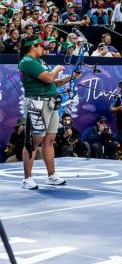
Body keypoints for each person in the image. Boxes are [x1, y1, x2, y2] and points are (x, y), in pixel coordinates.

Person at [18, 35, 74, 189]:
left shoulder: (40, 61)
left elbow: (53, 82)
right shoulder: (27, 61)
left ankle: (51, 176)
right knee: (33, 141)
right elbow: (49, 77)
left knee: (49, 139)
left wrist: (69, 78)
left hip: (50, 103)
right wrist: (57, 69)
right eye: (40, 45)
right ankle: (27, 178)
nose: (43, 48)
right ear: (32, 46)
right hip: (37, 103)